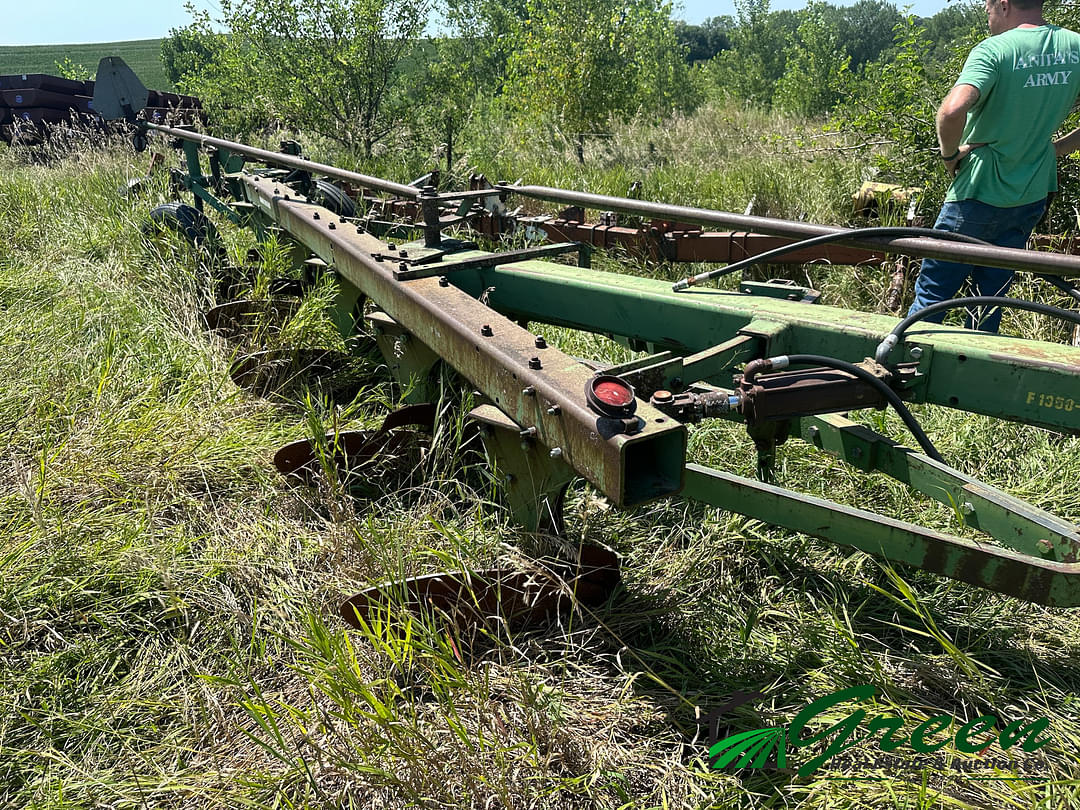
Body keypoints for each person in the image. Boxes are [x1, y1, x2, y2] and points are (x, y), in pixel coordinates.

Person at [907, 0, 1080, 332]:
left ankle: (905, 367)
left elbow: (952, 111)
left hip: (979, 189)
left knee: (932, 298)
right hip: (1032, 192)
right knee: (990, 300)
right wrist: (1052, 149)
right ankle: (978, 378)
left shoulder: (995, 50)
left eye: (987, 7)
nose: (987, 17)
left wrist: (950, 155)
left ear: (1003, 5)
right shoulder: (1074, 47)